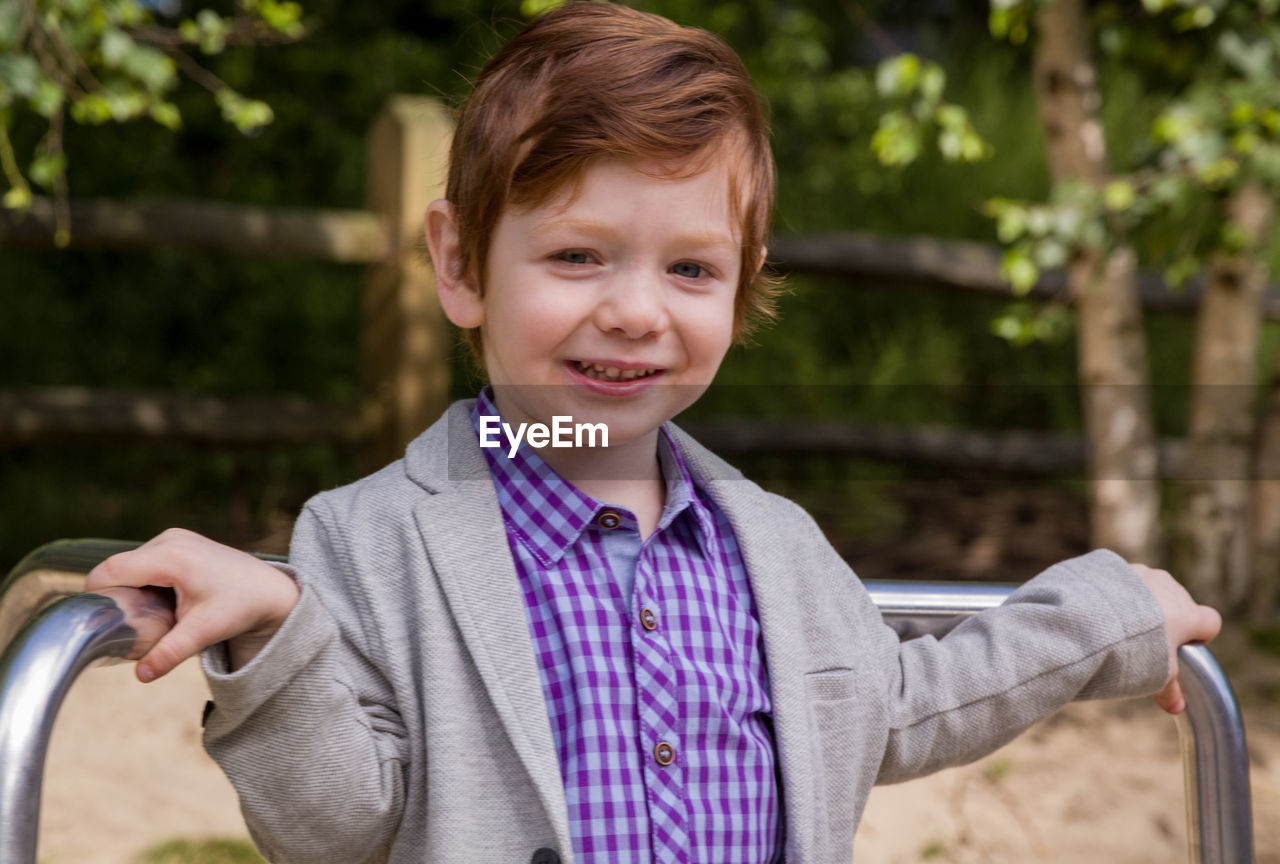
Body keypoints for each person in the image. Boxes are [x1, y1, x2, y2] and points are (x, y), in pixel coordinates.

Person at [85, 4, 1222, 863]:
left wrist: (1109, 617)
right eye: (577, 254)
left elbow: (897, 706)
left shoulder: (769, 543)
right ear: (459, 262)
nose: (635, 309)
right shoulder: (372, 537)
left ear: (742, 288)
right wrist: (276, 641)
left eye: (689, 268)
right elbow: (335, 824)